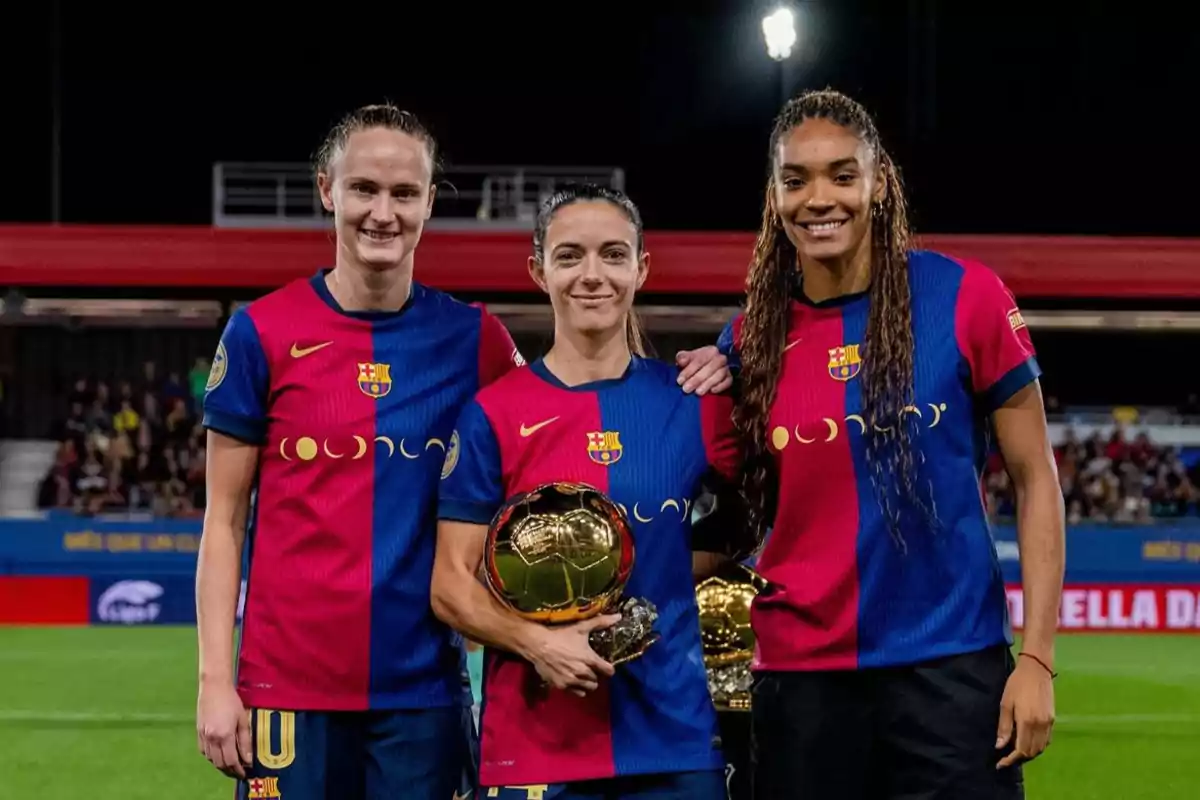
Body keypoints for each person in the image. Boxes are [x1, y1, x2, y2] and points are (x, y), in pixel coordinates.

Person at [194, 105, 732, 800]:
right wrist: (215, 681)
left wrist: (707, 371)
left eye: (403, 193)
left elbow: (561, 433)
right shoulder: (258, 334)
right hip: (286, 688)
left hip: (425, 693)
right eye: (364, 189)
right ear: (327, 190)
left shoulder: (475, 339)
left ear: (427, 204)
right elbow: (223, 522)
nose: (382, 212)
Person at [719, 89, 1065, 799]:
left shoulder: (966, 295)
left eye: (843, 175)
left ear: (879, 182)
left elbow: (1036, 480)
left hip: (952, 673)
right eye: (796, 179)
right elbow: (734, 515)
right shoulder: (750, 338)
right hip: (801, 684)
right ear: (774, 196)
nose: (820, 198)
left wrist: (1037, 659)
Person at [431, 183, 740, 800]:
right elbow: (449, 585)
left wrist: (671, 571)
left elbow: (760, 517)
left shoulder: (696, 403)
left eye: (613, 255)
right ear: (538, 270)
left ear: (641, 268)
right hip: (534, 746)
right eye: (570, 256)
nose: (592, 275)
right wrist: (539, 643)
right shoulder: (492, 414)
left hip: (674, 742)